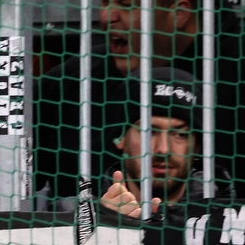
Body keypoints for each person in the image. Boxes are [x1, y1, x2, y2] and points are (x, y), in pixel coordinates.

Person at [35, 0, 245, 201]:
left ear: (179, 13)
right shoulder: (67, 86)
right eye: (105, 1)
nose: (106, 17)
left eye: (126, 4)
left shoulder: (236, 80)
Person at [97, 68, 235, 219]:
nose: (163, 149)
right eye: (149, 132)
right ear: (121, 137)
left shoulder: (231, 224)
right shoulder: (74, 216)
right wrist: (103, 225)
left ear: (197, 146)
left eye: (180, 134)